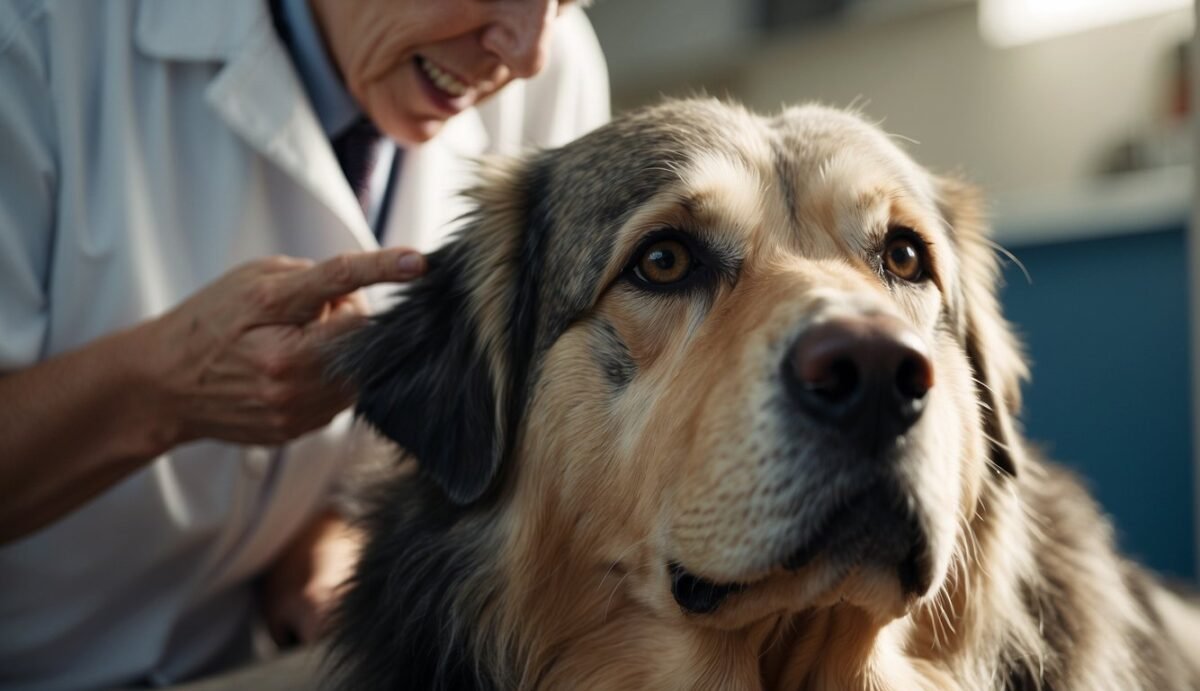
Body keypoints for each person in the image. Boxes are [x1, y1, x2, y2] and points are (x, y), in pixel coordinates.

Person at [0, 0, 609, 688]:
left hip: (271, 657)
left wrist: (330, 531)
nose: (528, 53)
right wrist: (164, 385)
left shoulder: (553, 72)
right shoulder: (32, 40)